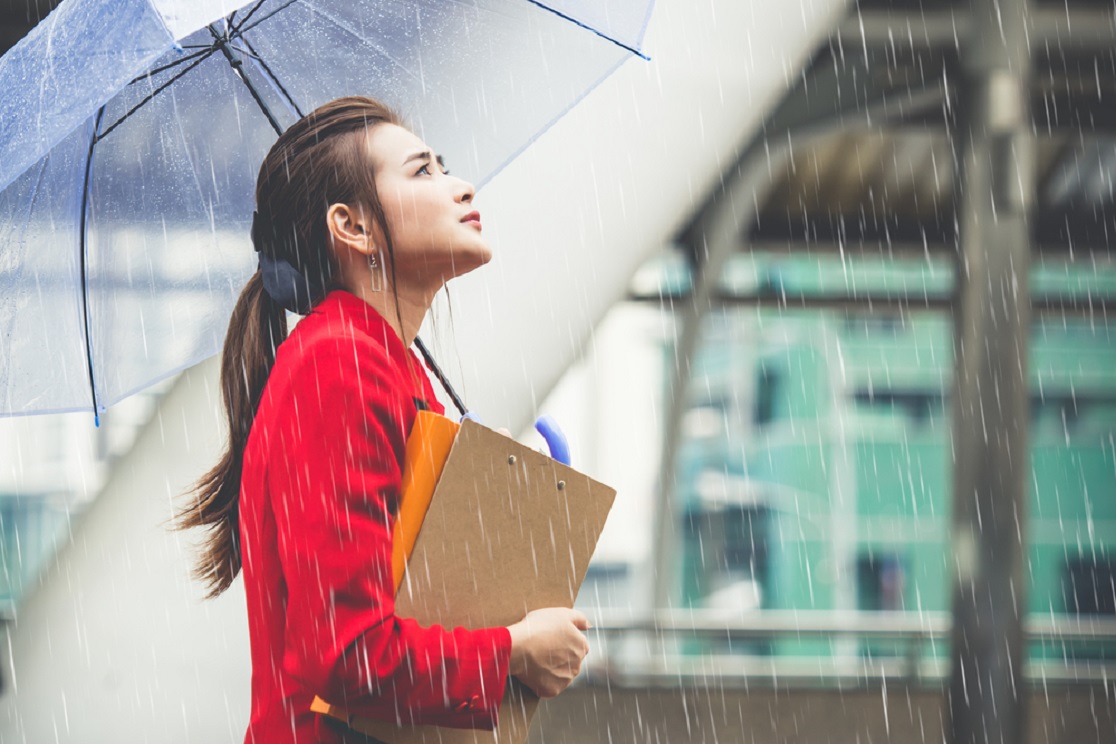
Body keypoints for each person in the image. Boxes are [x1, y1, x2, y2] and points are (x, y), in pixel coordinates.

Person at [174, 96, 590, 744]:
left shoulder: (379, 364)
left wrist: (487, 493)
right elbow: (347, 654)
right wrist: (513, 652)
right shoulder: (338, 366)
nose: (460, 185)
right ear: (354, 228)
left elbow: (406, 593)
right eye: (422, 172)